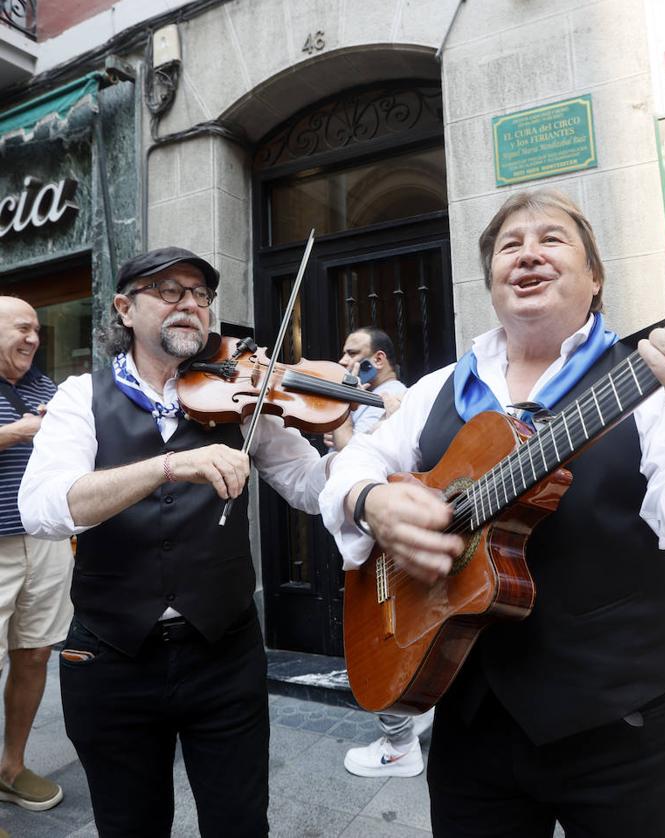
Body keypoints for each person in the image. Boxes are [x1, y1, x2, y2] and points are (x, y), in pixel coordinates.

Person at [320, 189, 665, 837]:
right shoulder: (434, 389)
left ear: (594, 278)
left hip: (622, 726)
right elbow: (347, 471)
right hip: (470, 720)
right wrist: (372, 499)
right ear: (491, 281)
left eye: (552, 239)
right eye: (509, 244)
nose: (528, 252)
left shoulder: (648, 380)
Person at [18, 248, 333, 838]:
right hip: (113, 658)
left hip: (224, 652)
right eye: (169, 291)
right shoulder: (80, 397)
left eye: (201, 295)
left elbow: (311, 490)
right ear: (124, 308)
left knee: (238, 823)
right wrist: (168, 465)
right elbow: (42, 510)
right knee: (128, 824)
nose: (190, 304)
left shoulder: (240, 397)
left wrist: (351, 438)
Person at [328, 327, 434, 777]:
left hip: (381, 547)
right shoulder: (371, 398)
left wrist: (338, 417)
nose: (346, 362)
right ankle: (411, 718)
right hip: (371, 539)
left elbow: (360, 458)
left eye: (354, 354)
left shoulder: (394, 399)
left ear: (380, 358)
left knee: (378, 644)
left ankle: (399, 745)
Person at [0, 297, 73, 816]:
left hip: (43, 540)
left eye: (37, 332)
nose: (33, 339)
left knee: (36, 652)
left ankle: (11, 767)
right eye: (22, 329)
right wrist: (21, 431)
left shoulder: (46, 386)